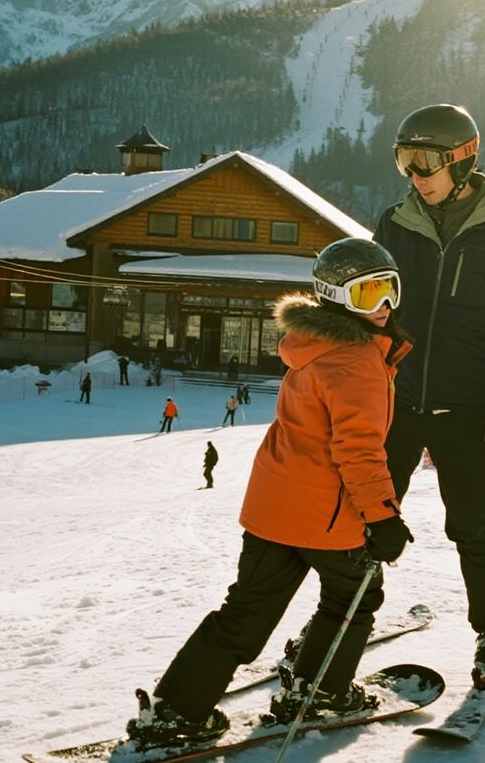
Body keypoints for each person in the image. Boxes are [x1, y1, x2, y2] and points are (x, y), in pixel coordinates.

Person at [125, 238, 413, 747]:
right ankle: (319, 692)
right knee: (354, 596)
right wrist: (384, 518)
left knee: (246, 612)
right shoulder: (357, 362)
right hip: (326, 518)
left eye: (390, 290)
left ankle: (177, 711)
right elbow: (359, 450)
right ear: (336, 297)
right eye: (369, 294)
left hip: (272, 509)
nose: (385, 306)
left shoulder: (310, 348)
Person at [374, 103, 485, 689]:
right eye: (403, 160)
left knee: (475, 521)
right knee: (364, 513)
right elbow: (373, 315)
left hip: (469, 404)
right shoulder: (395, 224)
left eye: (425, 161)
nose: (414, 175)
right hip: (398, 399)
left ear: (462, 159)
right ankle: (344, 615)